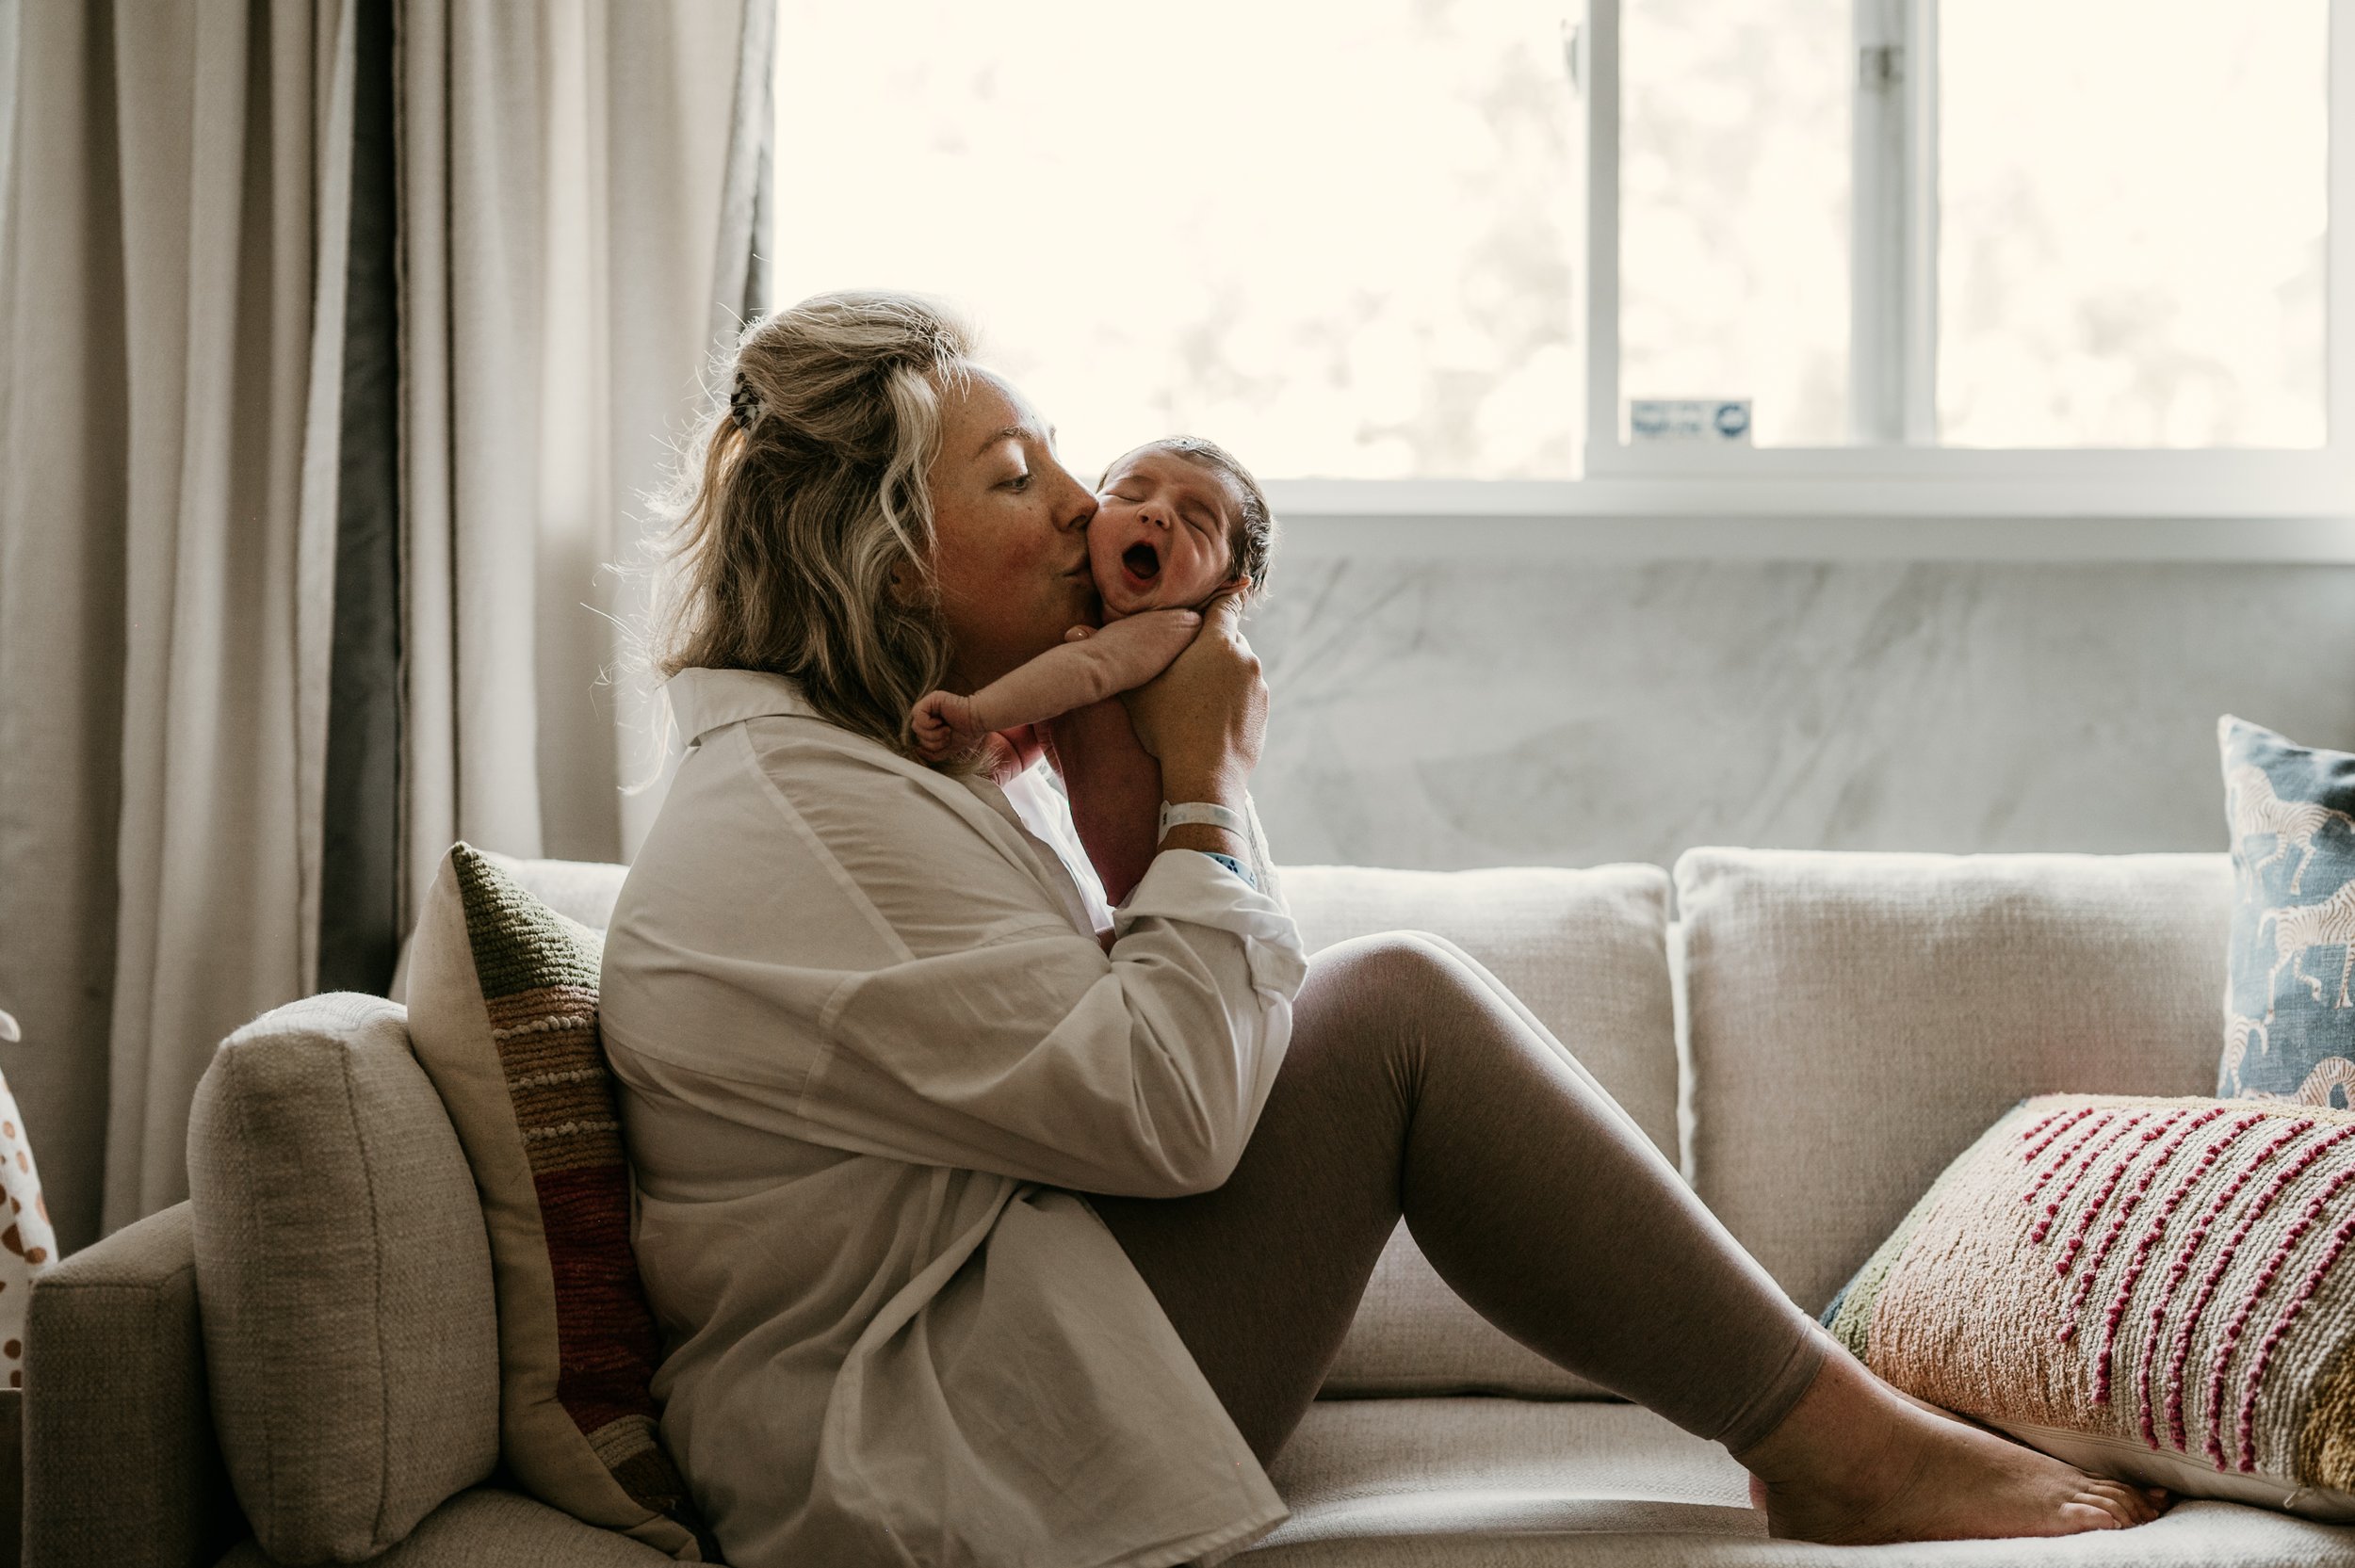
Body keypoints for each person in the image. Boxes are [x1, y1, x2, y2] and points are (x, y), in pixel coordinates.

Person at [599, 290, 2168, 1568]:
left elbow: (1132, 1063)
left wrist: (1131, 793)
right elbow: (1180, 1113)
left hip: (964, 1358)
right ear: (872, 558)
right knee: (1400, 1017)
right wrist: (1205, 784)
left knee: (1395, 1011)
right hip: (929, 1463)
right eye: (1016, 477)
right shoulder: (818, 823)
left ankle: (1837, 1431)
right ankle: (1848, 1450)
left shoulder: (861, 777)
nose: (1086, 507)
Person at [912, 436, 1275, 904]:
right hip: (1147, 895)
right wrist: (979, 770)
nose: (1155, 513)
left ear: (1229, 585)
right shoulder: (1078, 623)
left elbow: (1085, 672)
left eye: (1195, 521)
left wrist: (974, 713)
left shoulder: (1174, 632)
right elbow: (1035, 732)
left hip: (1199, 883)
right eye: (1128, 496)